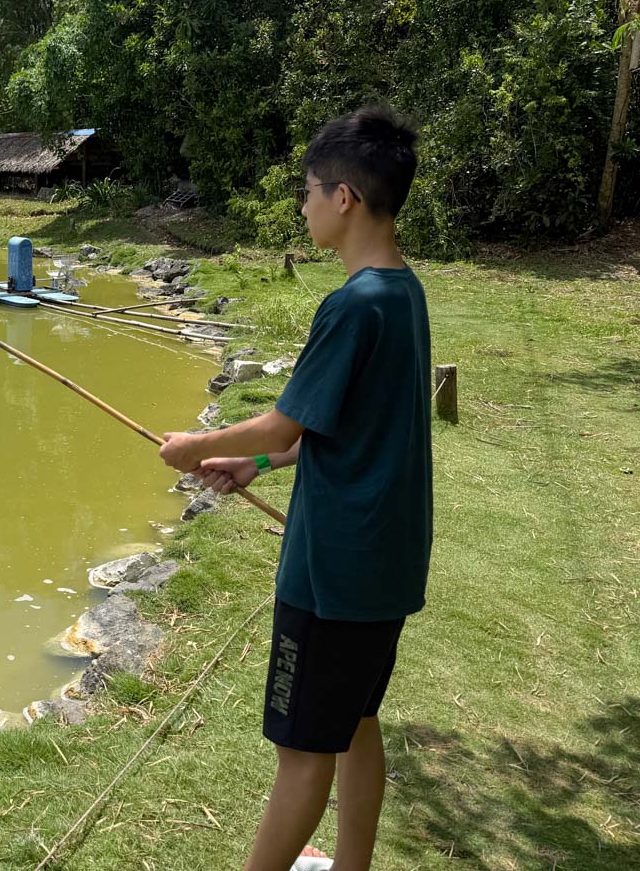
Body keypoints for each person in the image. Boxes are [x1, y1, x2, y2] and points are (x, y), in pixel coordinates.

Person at [159, 104, 433, 871]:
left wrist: (198, 446)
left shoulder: (351, 305)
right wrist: (258, 468)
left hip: (333, 573)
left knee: (304, 747)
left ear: (344, 197)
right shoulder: (403, 294)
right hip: (384, 564)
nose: (303, 205)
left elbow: (281, 422)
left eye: (309, 191)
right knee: (357, 722)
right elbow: (343, 424)